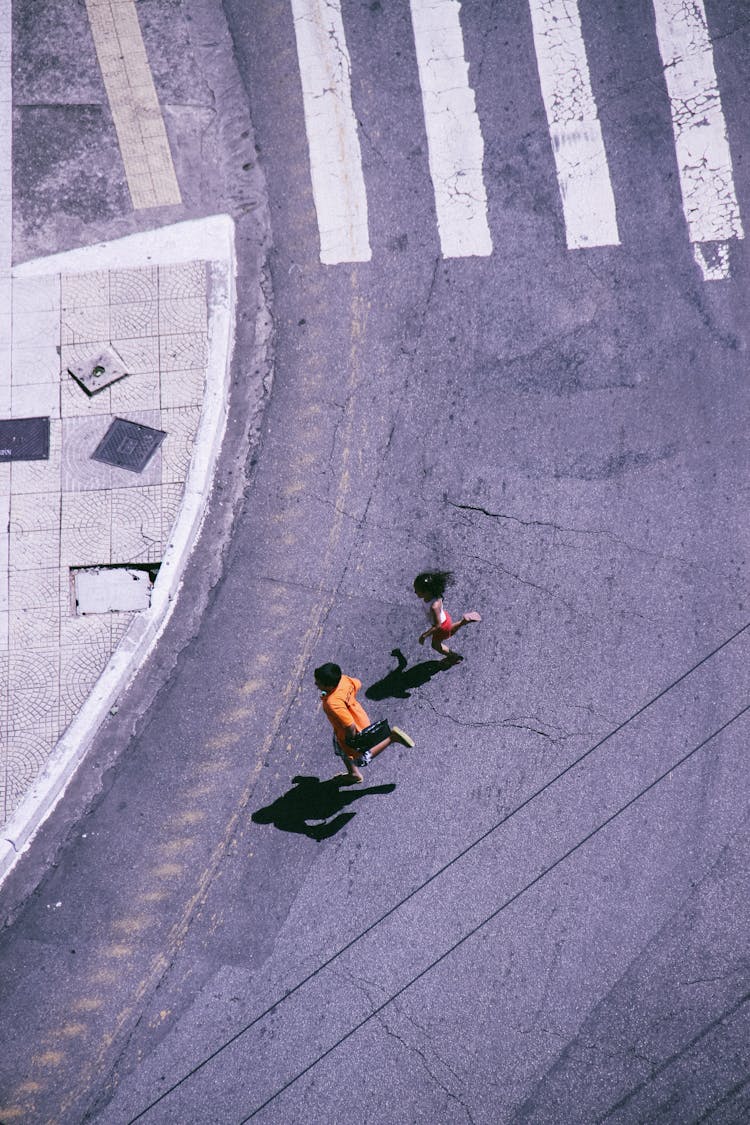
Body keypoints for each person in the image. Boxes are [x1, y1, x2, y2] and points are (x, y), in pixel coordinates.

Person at [314, 663, 414, 784]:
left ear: (329, 686)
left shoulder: (332, 703)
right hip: (355, 719)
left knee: (361, 759)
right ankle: (354, 774)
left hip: (351, 732)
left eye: (318, 683)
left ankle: (392, 738)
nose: (316, 684)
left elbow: (350, 725)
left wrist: (351, 741)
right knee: (342, 751)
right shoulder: (343, 680)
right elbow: (357, 683)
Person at [414, 570, 481, 663]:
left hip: (441, 626)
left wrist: (424, 635)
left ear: (427, 592)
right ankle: (464, 621)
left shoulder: (434, 607)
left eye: (417, 590)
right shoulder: (435, 595)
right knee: (449, 630)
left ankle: (454, 656)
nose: (415, 592)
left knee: (436, 645)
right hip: (445, 618)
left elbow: (437, 626)